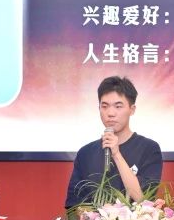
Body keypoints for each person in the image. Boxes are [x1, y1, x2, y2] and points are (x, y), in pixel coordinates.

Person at [65, 76, 163, 210]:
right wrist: (93, 218)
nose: (110, 113)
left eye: (118, 106)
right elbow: (74, 205)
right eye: (104, 106)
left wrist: (116, 154)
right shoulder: (85, 153)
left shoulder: (149, 149)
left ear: (132, 109)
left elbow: (142, 199)